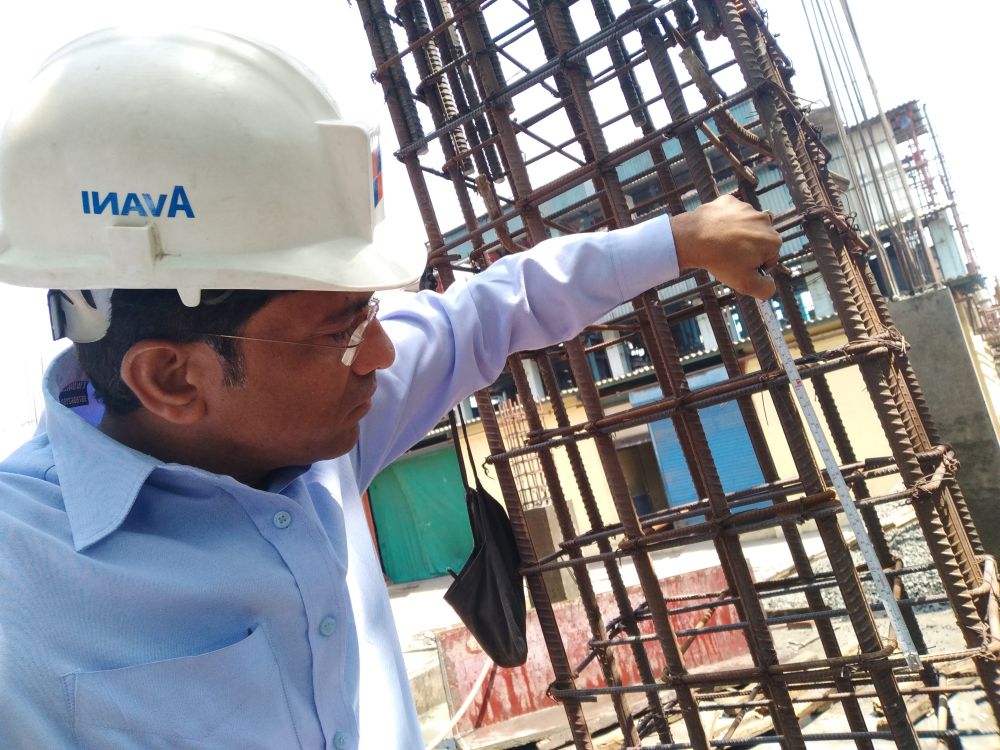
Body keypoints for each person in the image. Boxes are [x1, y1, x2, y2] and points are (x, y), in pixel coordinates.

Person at [0, 28, 780, 749]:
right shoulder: (20, 586)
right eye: (340, 330)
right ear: (172, 378)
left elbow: (487, 311)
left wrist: (680, 240)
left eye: (368, 312)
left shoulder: (310, 435)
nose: (380, 352)